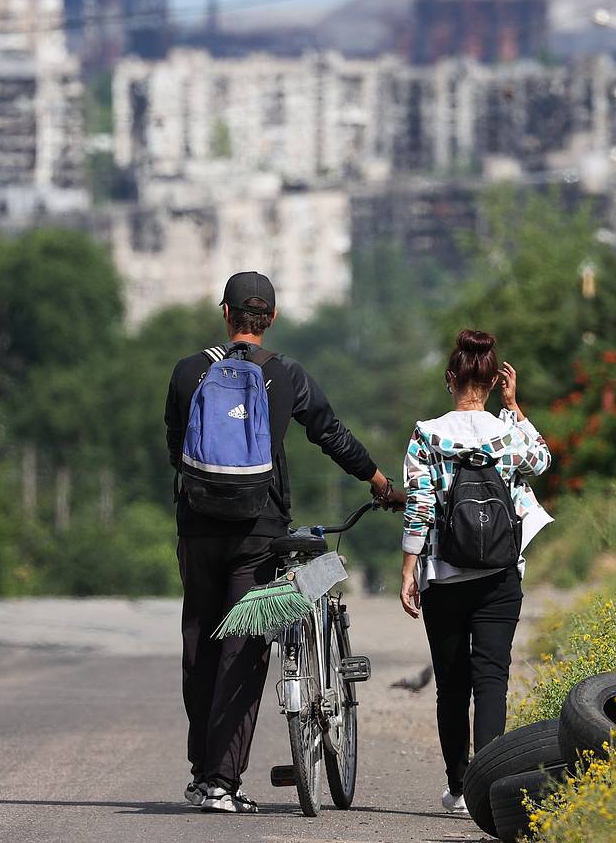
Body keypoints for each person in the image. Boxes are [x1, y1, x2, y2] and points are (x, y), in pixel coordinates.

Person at [165, 270, 405, 813]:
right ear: (270, 319)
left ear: (226, 314)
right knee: (243, 648)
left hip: (198, 528)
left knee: (200, 644)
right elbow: (331, 433)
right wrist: (379, 482)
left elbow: (175, 451)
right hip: (260, 532)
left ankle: (203, 774)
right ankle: (224, 782)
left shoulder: (186, 373)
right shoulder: (287, 375)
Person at [398, 329, 553, 816]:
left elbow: (419, 507)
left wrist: (408, 568)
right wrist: (516, 407)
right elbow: (542, 461)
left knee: (451, 682)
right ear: (491, 381)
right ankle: (489, 787)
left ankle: (458, 788)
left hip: (444, 577)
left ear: (451, 378)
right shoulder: (508, 433)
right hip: (501, 575)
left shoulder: (427, 434)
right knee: (492, 679)